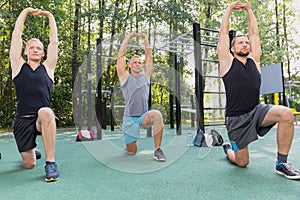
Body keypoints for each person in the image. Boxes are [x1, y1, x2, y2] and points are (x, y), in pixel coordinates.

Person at [217, 0, 300, 179]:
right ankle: (228, 150)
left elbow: (254, 33)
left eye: (246, 43)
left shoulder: (255, 60)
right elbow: (223, 33)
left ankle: (281, 163)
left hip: (256, 111)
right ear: (232, 48)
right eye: (240, 43)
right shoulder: (227, 62)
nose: (245, 45)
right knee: (242, 162)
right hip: (236, 120)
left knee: (286, 114)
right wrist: (229, 8)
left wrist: (249, 10)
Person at [10, 8, 59, 182]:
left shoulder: (48, 68)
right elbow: (16, 36)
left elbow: (54, 42)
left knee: (46, 111)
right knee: (29, 164)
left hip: (41, 119)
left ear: (43, 53)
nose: (36, 50)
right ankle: (32, 150)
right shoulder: (17, 66)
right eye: (32, 48)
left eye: (39, 48)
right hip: (22, 120)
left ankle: (50, 163)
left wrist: (50, 16)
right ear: (26, 51)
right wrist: (26, 12)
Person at [116, 32, 166, 162]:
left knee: (157, 114)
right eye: (135, 62)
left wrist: (145, 39)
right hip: (129, 119)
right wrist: (128, 37)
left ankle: (158, 150)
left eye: (139, 62)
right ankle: (129, 142)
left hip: (143, 117)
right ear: (130, 65)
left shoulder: (146, 76)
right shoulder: (124, 77)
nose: (138, 64)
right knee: (132, 152)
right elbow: (120, 56)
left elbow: (149, 55)